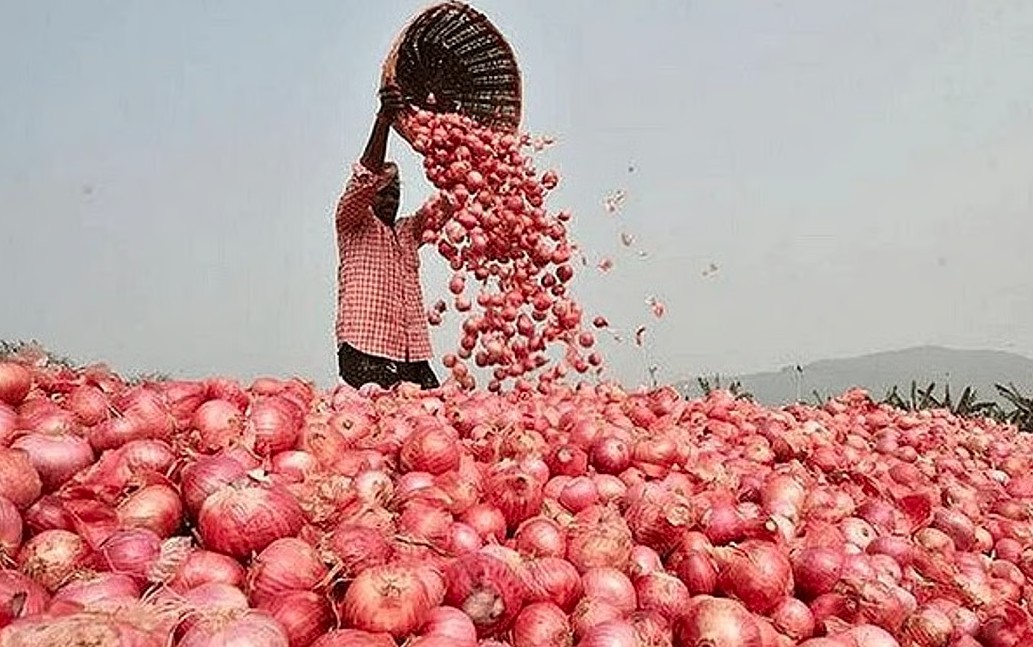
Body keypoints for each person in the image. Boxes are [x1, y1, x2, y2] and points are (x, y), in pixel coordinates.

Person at [332, 84, 439, 391]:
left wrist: (461, 158)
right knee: (380, 417)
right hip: (365, 348)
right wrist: (384, 120)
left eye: (395, 193)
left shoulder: (408, 231)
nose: (391, 199)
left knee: (433, 412)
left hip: (412, 353)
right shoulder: (352, 222)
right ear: (370, 196)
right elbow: (364, 178)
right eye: (383, 193)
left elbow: (447, 203)